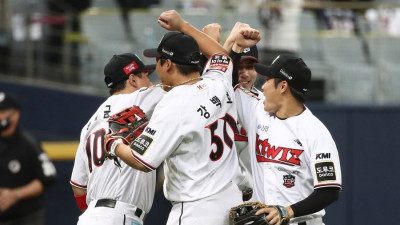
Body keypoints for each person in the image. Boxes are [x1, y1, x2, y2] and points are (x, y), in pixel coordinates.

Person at [104, 10, 261, 224]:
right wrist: (183, 25)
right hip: (230, 201)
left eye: (158, 62)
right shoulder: (218, 82)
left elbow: (143, 160)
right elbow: (221, 57)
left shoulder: (173, 103)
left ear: (167, 64)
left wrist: (114, 144)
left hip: (195, 210)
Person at [234, 54, 342, 224]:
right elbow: (225, 81)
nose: (263, 87)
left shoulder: (315, 132)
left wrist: (287, 211)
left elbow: (329, 191)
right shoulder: (257, 112)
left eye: (268, 80)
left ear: (283, 86)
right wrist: (235, 44)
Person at [70, 53, 165, 225]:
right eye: (145, 77)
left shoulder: (89, 125)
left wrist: (97, 215)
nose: (150, 83)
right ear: (133, 79)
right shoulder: (140, 98)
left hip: (89, 217)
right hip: (120, 215)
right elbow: (182, 84)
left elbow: (78, 188)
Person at [0, 92, 57, 225]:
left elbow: (47, 178)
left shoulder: (28, 145)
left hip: (25, 217)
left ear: (15, 114)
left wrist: (16, 194)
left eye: (3, 111)